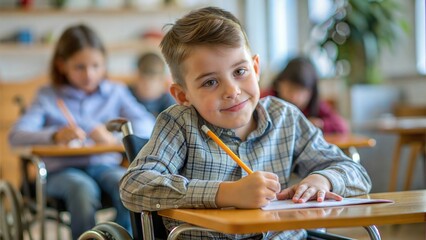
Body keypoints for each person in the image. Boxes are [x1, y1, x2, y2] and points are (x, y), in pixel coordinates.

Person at [120, 7, 371, 239]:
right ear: (183, 95)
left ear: (256, 67)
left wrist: (322, 180)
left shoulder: (285, 117)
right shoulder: (179, 124)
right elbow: (134, 186)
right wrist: (225, 193)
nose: (232, 91)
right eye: (210, 82)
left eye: (240, 72)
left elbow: (356, 173)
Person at [8, 24, 156, 239]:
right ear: (61, 65)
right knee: (82, 188)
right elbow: (16, 136)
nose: (89, 74)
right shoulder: (48, 95)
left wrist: (112, 136)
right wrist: (54, 135)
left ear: (104, 63)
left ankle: (119, 235)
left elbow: (147, 124)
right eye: (79, 67)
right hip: (62, 172)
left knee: (129, 184)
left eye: (96, 66)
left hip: (104, 165)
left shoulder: (116, 92)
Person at [270, 56, 349, 134]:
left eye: (301, 91)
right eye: (290, 89)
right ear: (279, 84)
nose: (294, 96)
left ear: (311, 92)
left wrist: (320, 124)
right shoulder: (268, 99)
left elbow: (342, 126)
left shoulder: (315, 105)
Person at [129, 52, 175, 117]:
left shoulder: (168, 102)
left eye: (152, 80)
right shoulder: (127, 95)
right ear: (136, 77)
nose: (147, 85)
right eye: (143, 79)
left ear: (162, 81)